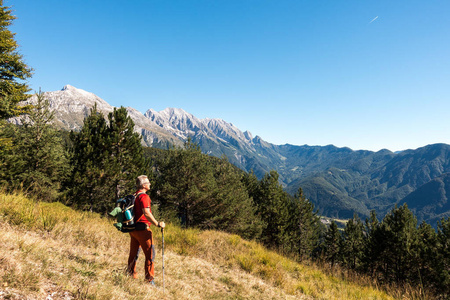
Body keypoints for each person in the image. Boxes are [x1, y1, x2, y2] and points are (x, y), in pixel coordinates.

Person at [127, 175, 165, 285]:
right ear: (144, 185)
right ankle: (149, 280)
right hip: (143, 230)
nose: (150, 184)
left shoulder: (134, 195)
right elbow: (146, 213)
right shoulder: (144, 197)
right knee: (150, 254)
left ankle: (131, 274)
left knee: (134, 253)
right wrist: (158, 224)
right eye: (148, 183)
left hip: (133, 229)